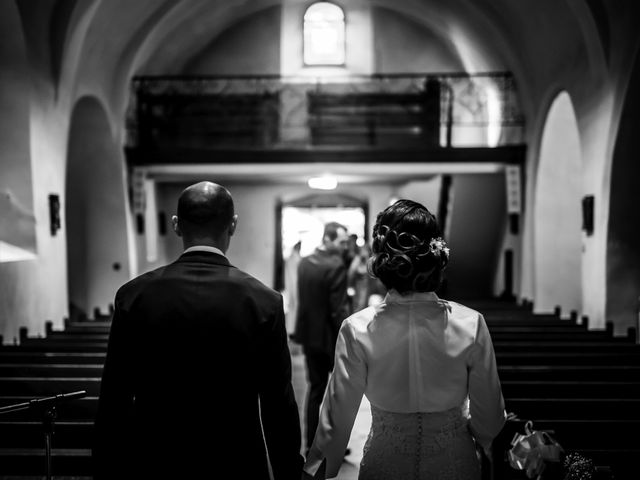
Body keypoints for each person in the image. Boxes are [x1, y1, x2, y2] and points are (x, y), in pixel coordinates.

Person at [93, 181, 303, 480]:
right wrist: (288, 472)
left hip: (155, 461)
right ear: (233, 225)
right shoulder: (264, 302)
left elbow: (115, 397)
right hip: (237, 461)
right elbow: (277, 403)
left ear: (176, 225)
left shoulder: (134, 296)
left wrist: (105, 470)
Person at [303, 199, 506, 480]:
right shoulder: (471, 324)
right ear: (437, 256)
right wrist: (467, 433)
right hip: (454, 462)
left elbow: (336, 418)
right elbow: (491, 419)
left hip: (385, 463)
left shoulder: (357, 328)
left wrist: (317, 468)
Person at [294, 221, 350, 452]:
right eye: (342, 242)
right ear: (327, 239)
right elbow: (337, 309)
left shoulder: (305, 263)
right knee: (337, 393)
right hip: (330, 339)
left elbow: (305, 301)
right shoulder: (336, 265)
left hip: (310, 336)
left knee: (315, 390)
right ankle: (334, 443)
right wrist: (347, 337)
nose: (345, 246)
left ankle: (310, 445)